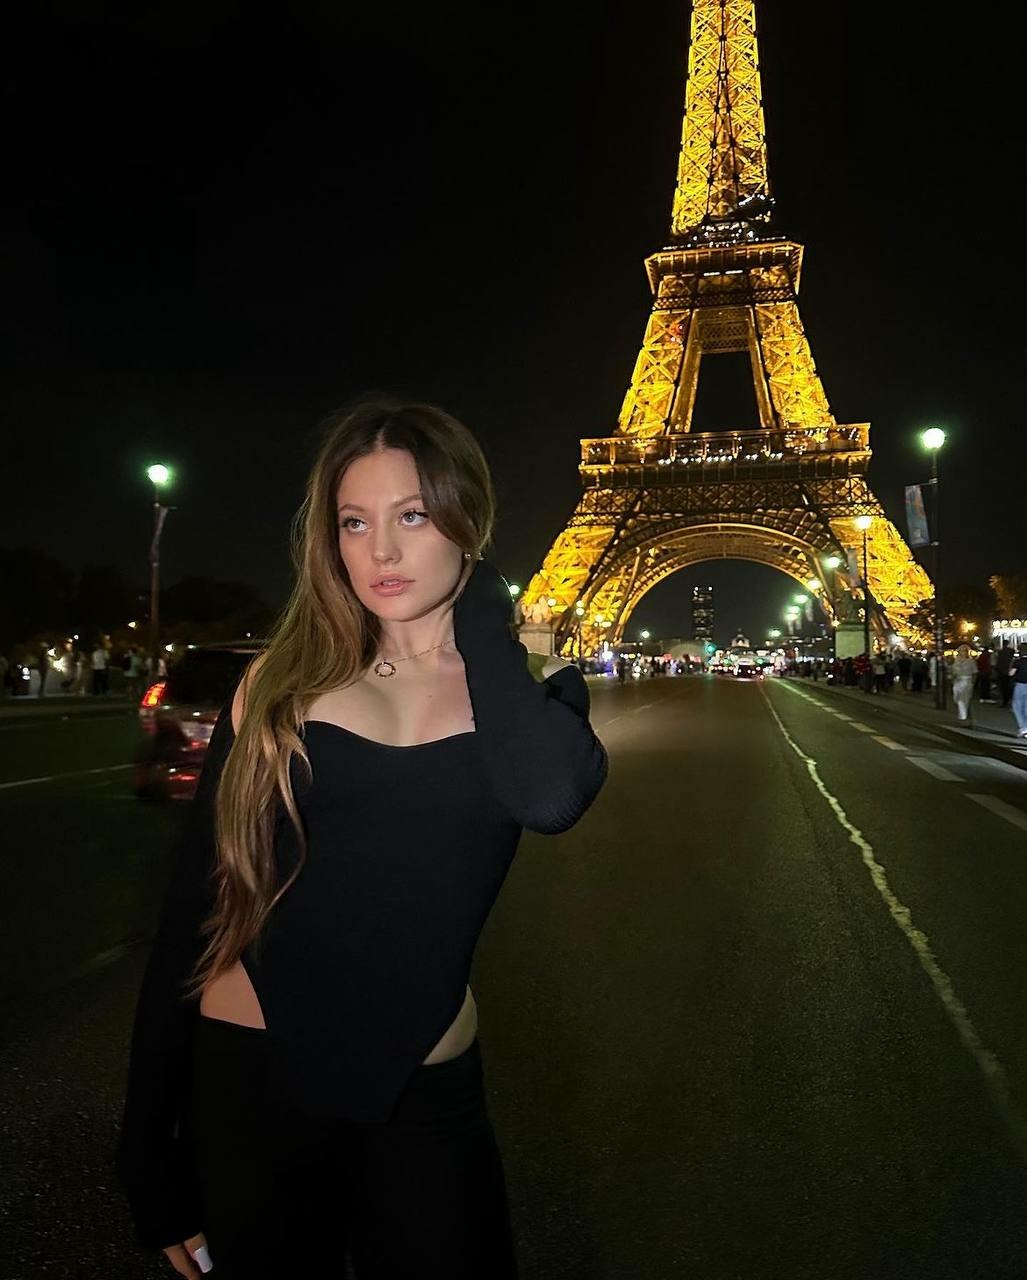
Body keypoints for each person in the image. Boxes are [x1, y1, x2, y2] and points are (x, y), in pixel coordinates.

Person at [115, 400, 609, 1278]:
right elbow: (196, 905)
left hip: (424, 1103)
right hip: (249, 1079)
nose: (379, 551)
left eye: (412, 516)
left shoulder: (529, 697)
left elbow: (547, 798)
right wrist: (148, 1150)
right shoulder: (282, 683)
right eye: (354, 522)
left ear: (467, 519)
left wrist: (483, 612)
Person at [951, 644, 977, 722]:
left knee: (963, 699)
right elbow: (953, 671)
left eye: (964, 651)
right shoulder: (956, 661)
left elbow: (975, 672)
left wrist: (972, 683)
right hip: (957, 681)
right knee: (956, 698)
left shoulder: (971, 661)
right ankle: (963, 714)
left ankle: (963, 717)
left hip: (967, 681)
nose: (962, 653)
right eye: (961, 651)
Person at [1011, 643, 1027, 739]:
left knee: (1017, 706)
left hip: (1020, 685)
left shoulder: (1018, 661)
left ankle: (1023, 727)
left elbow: (1011, 673)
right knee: (1026, 707)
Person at [996, 641, 1015, 708]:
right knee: (1008, 687)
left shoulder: (1000, 652)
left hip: (1001, 671)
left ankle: (1004, 701)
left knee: (1003, 687)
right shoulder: (1011, 651)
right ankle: (1008, 700)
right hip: (1008, 671)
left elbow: (998, 662)